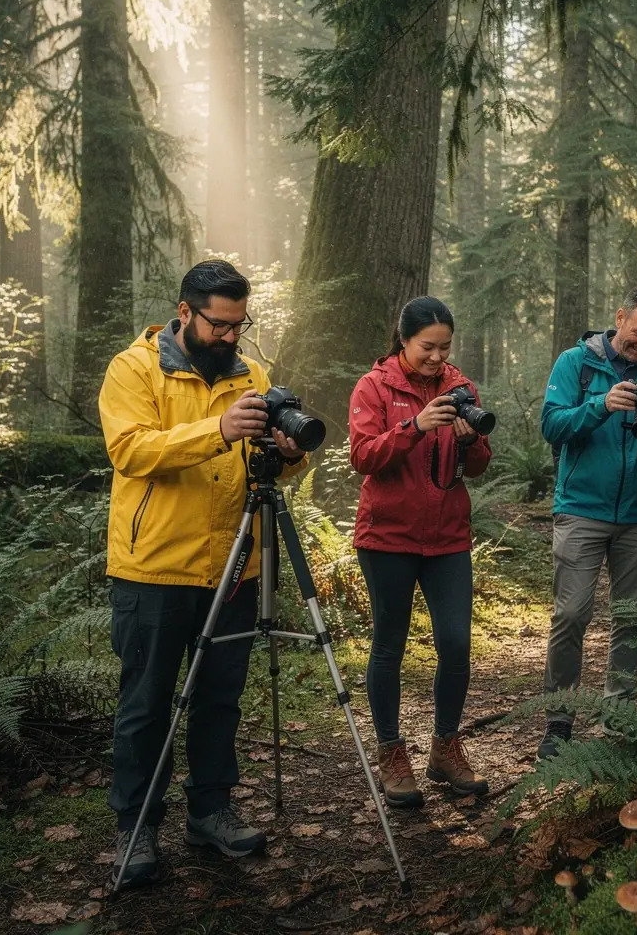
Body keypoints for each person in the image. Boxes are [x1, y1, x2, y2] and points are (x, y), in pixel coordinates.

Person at [99, 259, 308, 889]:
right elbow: (130, 450)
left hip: (233, 567)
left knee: (220, 696)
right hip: (154, 567)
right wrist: (216, 429)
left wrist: (287, 455)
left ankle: (210, 810)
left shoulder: (252, 375)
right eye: (219, 325)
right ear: (185, 312)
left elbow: (267, 466)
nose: (231, 337)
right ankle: (136, 827)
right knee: (146, 702)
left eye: (240, 325)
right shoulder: (134, 369)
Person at [349, 296, 492, 808]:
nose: (436, 357)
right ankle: (391, 752)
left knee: (456, 643)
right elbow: (362, 456)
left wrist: (470, 441)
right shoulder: (374, 386)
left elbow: (478, 467)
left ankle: (445, 747)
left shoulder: (460, 386)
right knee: (389, 643)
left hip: (447, 537)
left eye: (445, 347)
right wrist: (414, 427)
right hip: (388, 537)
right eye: (427, 347)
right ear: (404, 340)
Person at [537, 286, 637, 760]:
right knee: (571, 614)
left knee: (631, 618)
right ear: (620, 318)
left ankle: (620, 718)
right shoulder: (576, 363)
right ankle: (559, 719)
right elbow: (552, 426)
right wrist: (599, 406)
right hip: (581, 508)